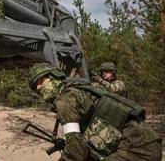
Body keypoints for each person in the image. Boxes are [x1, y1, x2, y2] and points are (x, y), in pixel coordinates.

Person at [28, 63, 162, 160]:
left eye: (42, 81)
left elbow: (77, 152)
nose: (39, 87)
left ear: (54, 77)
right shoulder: (79, 89)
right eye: (36, 86)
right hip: (148, 144)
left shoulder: (65, 100)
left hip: (138, 151)